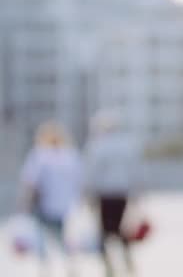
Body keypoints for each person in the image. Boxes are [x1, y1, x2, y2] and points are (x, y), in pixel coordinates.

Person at [18, 121, 82, 277]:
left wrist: (24, 202)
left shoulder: (40, 154)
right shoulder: (70, 155)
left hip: (43, 204)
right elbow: (79, 180)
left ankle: (45, 268)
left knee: (41, 236)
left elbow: (31, 182)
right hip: (65, 205)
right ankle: (69, 265)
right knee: (61, 236)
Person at [84, 110, 141, 277]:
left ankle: (108, 263)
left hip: (104, 194)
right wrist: (137, 192)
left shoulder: (96, 145)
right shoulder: (128, 144)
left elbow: (91, 173)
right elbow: (135, 170)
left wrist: (88, 194)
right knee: (120, 228)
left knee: (104, 230)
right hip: (122, 192)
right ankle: (125, 257)